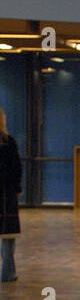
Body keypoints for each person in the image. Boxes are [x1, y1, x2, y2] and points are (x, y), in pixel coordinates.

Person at [0, 107, 20, 282]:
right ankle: (8, 272)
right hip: (6, 194)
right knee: (7, 237)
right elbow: (16, 168)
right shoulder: (8, 142)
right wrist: (17, 188)